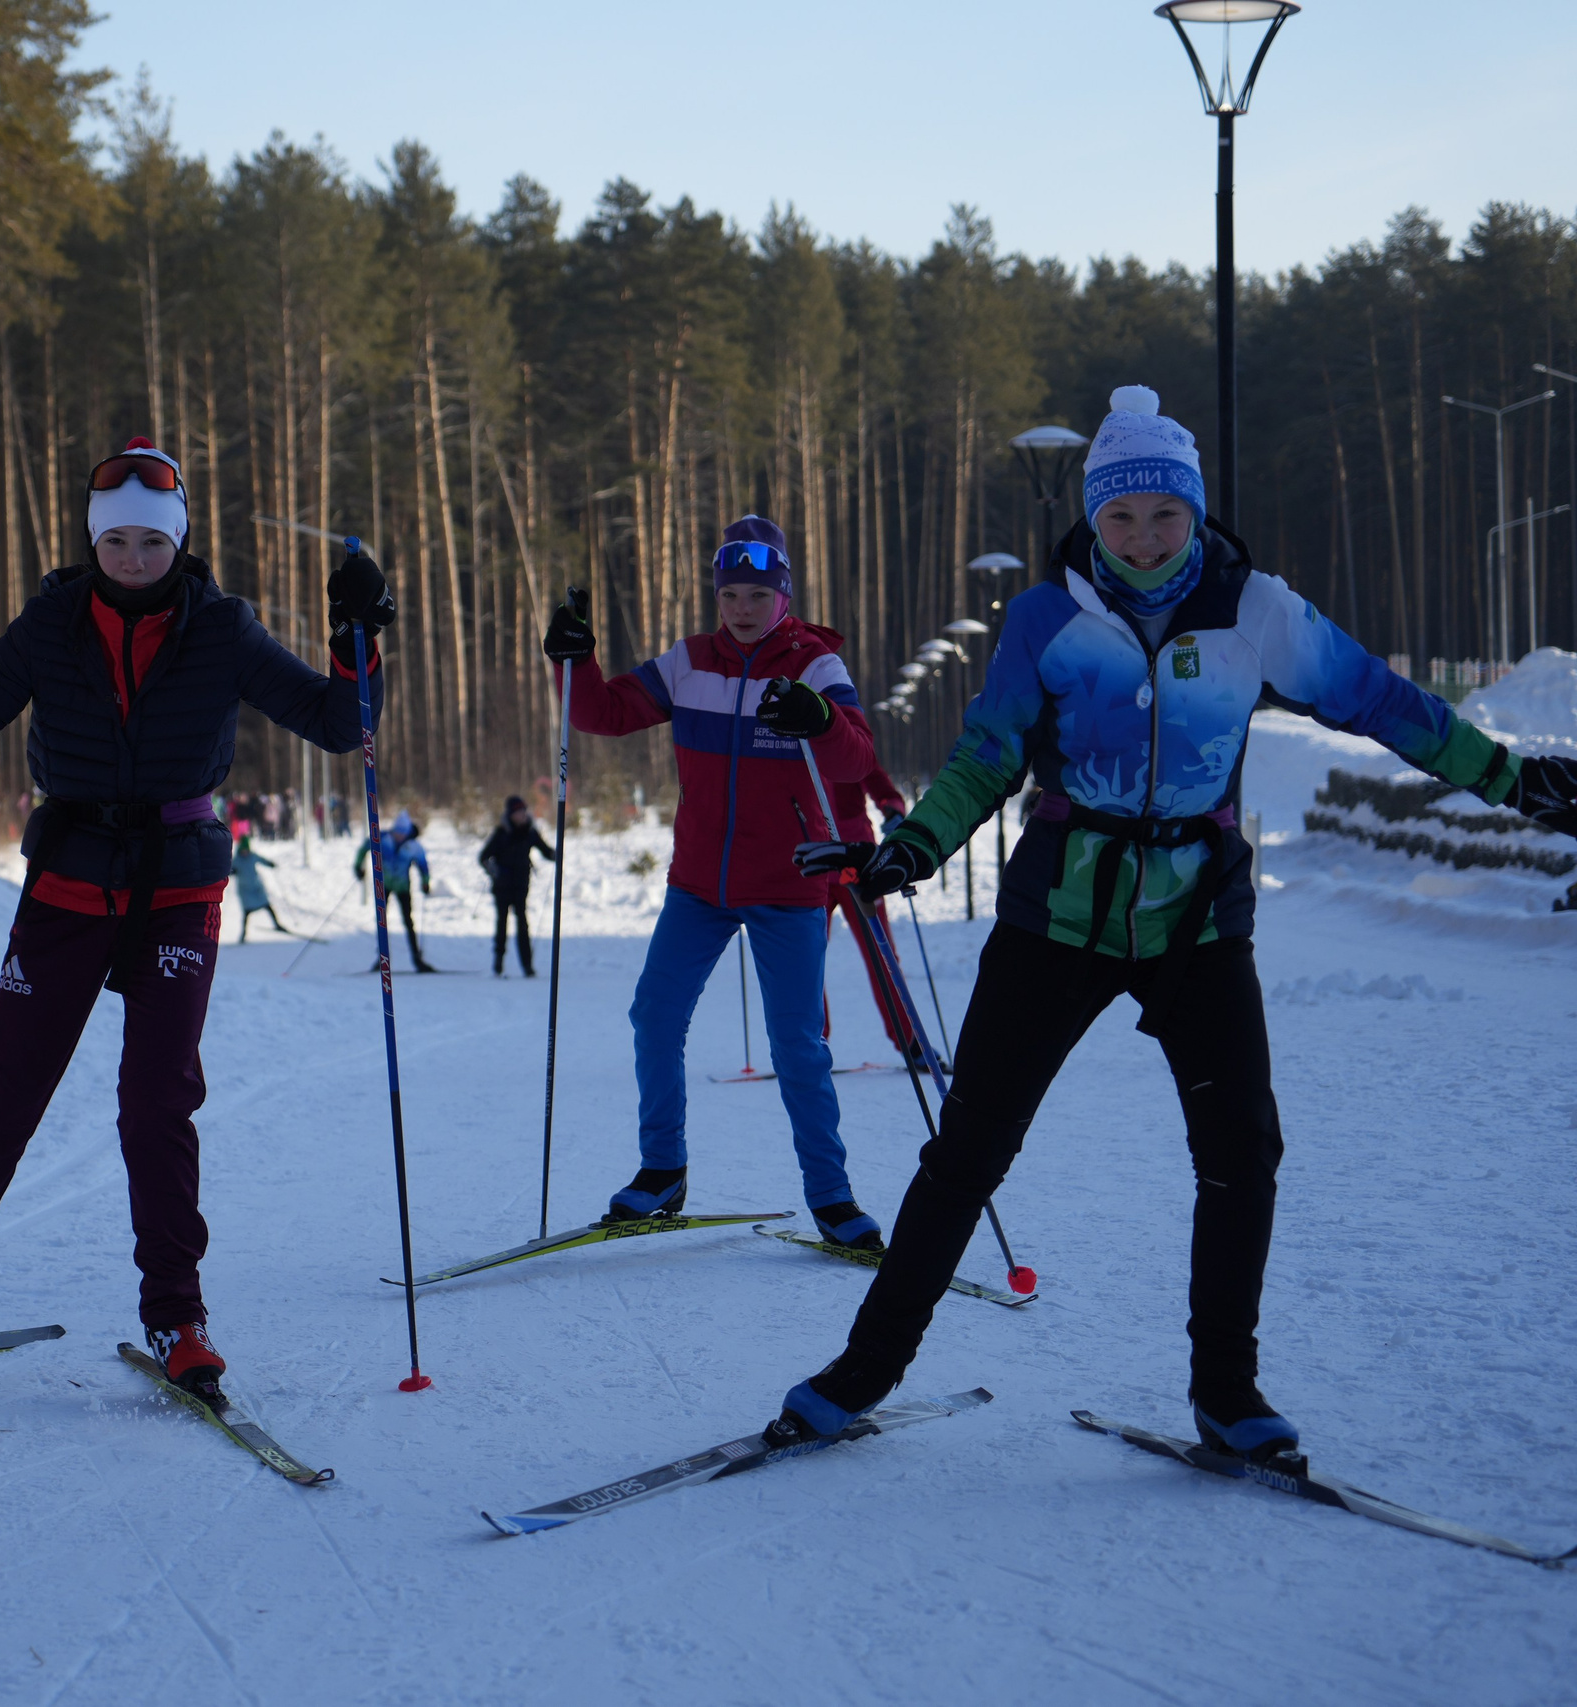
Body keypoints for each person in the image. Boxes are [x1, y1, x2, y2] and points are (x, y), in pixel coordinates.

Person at [770, 386, 1577, 1464]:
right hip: (1056, 916)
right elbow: (986, 755)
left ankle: (1226, 1393)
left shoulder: (1256, 611)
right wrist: (910, 850)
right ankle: (860, 1373)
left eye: (1165, 514)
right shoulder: (1047, 617)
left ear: (1194, 513)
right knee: (966, 1152)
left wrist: (1508, 779)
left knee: (1240, 1150)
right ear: (1093, 520)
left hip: (1199, 919)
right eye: (1121, 517)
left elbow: (1382, 701)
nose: (1145, 537)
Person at [0, 437, 393, 1406]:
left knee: (156, 1104)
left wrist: (357, 636)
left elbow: (338, 725)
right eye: (115, 542)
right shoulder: (51, 621)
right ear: (94, 542)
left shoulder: (223, 628)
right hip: (68, 883)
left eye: (149, 543)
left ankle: (177, 1317)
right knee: (0, 1098)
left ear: (178, 541)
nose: (131, 559)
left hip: (176, 886)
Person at [543, 515, 884, 1242]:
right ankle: (661, 1170)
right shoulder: (690, 660)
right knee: (654, 1017)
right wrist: (574, 661)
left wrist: (818, 715)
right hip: (699, 882)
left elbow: (856, 758)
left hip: (788, 881)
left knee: (797, 1043)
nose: (742, 608)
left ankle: (833, 1195)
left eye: (758, 593)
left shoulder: (815, 663)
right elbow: (603, 714)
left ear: (782, 593)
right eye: (730, 592)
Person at [831, 760, 924, 1066]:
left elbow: (882, 788)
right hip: (809, 861)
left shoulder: (842, 733)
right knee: (804, 956)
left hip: (858, 862)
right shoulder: (787, 741)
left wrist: (893, 810)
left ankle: (909, 1040)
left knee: (881, 952)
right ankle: (809, 1044)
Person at [477, 795, 557, 976]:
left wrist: (554, 854)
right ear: (510, 814)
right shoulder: (501, 832)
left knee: (523, 924)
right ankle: (498, 964)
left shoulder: (530, 832)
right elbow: (483, 857)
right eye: (518, 812)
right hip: (502, 887)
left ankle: (527, 966)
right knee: (502, 924)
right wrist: (494, 870)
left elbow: (545, 850)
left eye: (523, 811)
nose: (521, 815)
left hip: (521, 885)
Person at [354, 809, 435, 973]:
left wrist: (425, 883)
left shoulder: (413, 846)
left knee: (408, 921)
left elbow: (423, 865)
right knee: (382, 921)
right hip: (383, 885)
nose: (399, 835)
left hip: (403, 886)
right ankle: (382, 959)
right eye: (397, 832)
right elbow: (364, 849)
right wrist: (358, 867)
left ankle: (416, 959)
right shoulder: (383, 839)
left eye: (402, 833)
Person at [231, 834, 289, 942]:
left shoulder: (252, 856)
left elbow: (262, 860)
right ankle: (243, 934)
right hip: (245, 890)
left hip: (256, 887)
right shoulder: (237, 860)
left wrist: (270, 864)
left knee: (267, 906)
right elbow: (229, 870)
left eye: (246, 850)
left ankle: (277, 924)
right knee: (247, 912)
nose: (245, 852)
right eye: (243, 850)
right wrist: (233, 871)